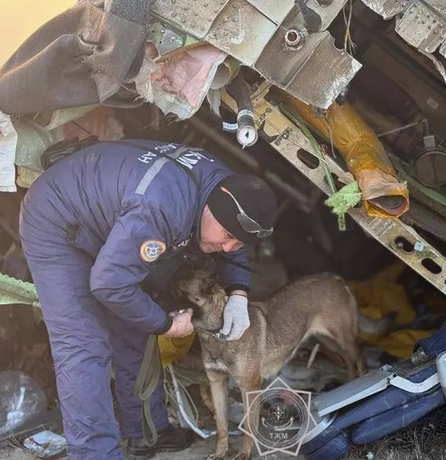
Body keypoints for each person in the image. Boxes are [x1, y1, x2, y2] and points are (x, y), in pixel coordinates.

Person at [18, 138, 278, 459]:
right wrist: (166, 324)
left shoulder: (226, 187)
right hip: (56, 219)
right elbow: (109, 284)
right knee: (83, 344)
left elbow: (234, 242)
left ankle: (146, 433)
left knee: (134, 324)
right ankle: (95, 454)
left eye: (237, 243)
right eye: (227, 237)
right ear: (211, 209)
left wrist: (239, 291)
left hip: (107, 215)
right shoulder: (161, 209)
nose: (228, 248)